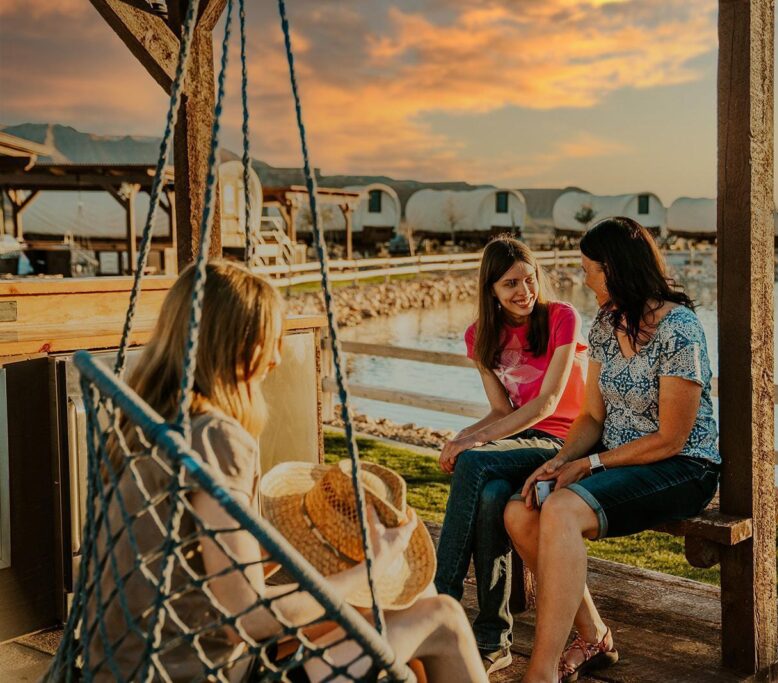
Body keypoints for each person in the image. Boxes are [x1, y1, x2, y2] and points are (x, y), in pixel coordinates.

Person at [88, 261, 486, 683]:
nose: (277, 358)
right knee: (442, 616)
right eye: (270, 340)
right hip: (203, 671)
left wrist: (312, 548)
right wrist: (369, 569)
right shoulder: (216, 438)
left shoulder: (142, 424)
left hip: (125, 661)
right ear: (237, 343)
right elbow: (246, 619)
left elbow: (200, 563)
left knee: (392, 607)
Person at [504, 218, 720, 683]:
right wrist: (560, 460)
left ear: (616, 270)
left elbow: (672, 439)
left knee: (561, 510)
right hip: (615, 460)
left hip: (683, 468)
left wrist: (591, 463)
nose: (584, 280)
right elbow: (591, 418)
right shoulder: (605, 323)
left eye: (590, 270)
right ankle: (595, 637)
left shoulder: (679, 330)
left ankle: (539, 673)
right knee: (521, 511)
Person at [433, 236, 587, 674]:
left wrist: (474, 445)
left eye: (529, 278)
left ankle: (440, 597)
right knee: (489, 496)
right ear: (491, 291)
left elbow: (548, 403)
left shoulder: (561, 317)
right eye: (510, 284)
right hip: (520, 439)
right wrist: (463, 435)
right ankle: (493, 638)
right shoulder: (479, 336)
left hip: (564, 441)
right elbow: (502, 410)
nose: (524, 291)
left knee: (475, 462)